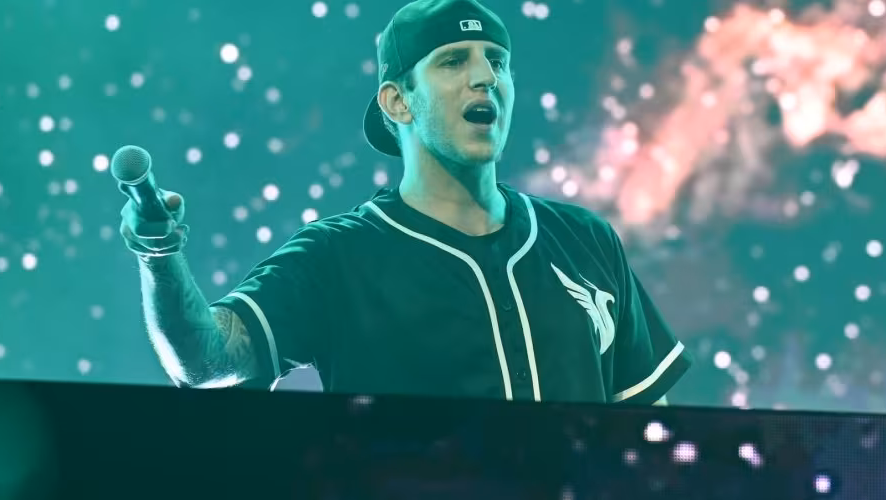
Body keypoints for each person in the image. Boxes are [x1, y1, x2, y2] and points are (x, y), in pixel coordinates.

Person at [119, 0, 692, 404]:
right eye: (453, 60)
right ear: (397, 101)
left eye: (497, 60)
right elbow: (208, 360)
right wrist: (159, 255)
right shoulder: (336, 257)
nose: (485, 77)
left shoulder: (586, 240)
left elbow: (650, 435)